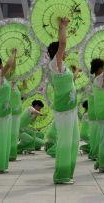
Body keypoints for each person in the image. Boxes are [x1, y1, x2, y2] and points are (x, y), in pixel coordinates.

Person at [47, 17, 81, 183]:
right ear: (56, 53)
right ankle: (61, 175)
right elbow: (62, 44)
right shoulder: (54, 64)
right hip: (64, 110)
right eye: (61, 51)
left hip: (72, 108)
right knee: (65, 142)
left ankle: (68, 173)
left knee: (74, 141)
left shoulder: (63, 67)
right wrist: (63, 26)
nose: (65, 51)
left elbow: (69, 82)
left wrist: (75, 74)